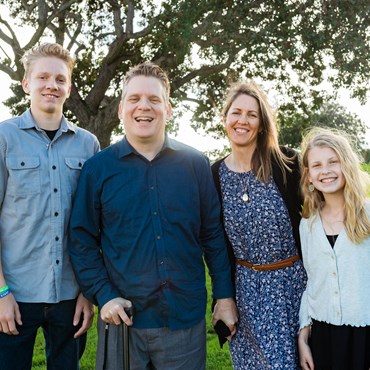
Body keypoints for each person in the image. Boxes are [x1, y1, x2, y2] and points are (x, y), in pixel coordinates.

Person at [68, 61, 238, 370]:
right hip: (121, 320)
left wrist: (224, 297)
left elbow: (213, 235)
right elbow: (82, 240)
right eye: (134, 99)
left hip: (183, 321)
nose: (143, 107)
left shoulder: (195, 164)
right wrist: (103, 296)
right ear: (121, 109)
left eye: (154, 99)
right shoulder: (98, 169)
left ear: (168, 109)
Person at [0, 43, 99, 370]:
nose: (51, 85)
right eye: (42, 77)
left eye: (60, 79)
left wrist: (88, 292)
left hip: (70, 296)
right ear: (26, 84)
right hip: (14, 295)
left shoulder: (88, 144)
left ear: (69, 87)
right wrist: (1, 293)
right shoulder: (4, 138)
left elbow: (94, 224)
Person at [211, 81, 307, 369]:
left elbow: (320, 213)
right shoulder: (214, 175)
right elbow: (214, 243)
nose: (243, 121)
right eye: (236, 113)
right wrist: (222, 298)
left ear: (262, 123)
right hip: (246, 292)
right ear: (225, 118)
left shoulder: (286, 162)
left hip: (293, 286)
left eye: (251, 115)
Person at [298, 127, 370, 370]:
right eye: (316, 165)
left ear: (346, 165)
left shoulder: (367, 214)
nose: (325, 171)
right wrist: (303, 335)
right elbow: (311, 282)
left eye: (333, 162)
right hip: (324, 336)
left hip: (364, 333)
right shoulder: (307, 225)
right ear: (308, 175)